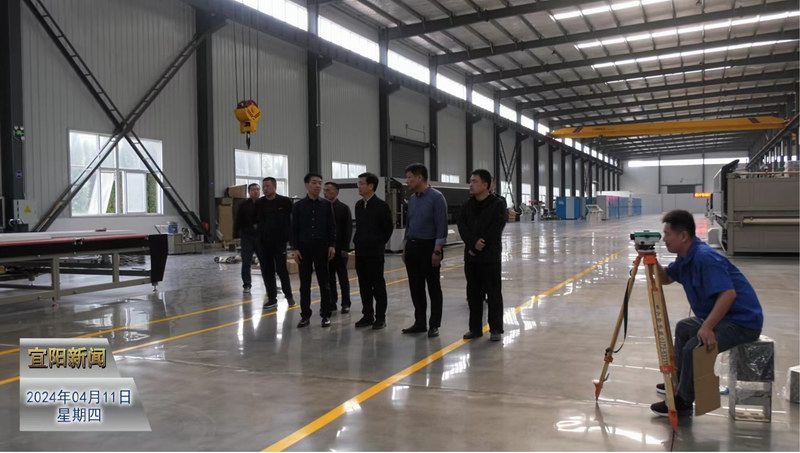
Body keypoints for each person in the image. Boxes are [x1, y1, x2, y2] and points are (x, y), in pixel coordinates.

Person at [649, 210, 764, 417]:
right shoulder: (685, 257)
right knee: (684, 327)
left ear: (683, 236)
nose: (664, 239)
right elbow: (665, 278)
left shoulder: (704, 258)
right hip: (725, 317)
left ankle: (684, 401)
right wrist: (650, 257)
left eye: (667, 234)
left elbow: (728, 294)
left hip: (742, 322)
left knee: (694, 347)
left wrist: (707, 326)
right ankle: (679, 381)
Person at [457, 169, 507, 342]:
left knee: (493, 293)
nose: (471, 184)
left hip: (490, 257)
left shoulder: (497, 204)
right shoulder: (466, 205)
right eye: (470, 181)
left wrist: (480, 245)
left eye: (475, 181)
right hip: (471, 257)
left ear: (485, 185)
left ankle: (496, 328)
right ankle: (475, 328)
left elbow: (496, 227)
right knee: (473, 294)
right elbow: (462, 226)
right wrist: (473, 243)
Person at [401, 163, 448, 338]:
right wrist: (405, 247)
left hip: (429, 247)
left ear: (420, 178)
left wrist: (437, 251)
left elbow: (441, 225)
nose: (407, 181)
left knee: (433, 287)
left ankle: (434, 324)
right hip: (412, 246)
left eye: (409, 177)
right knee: (416, 287)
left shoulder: (437, 198)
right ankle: (420, 322)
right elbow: (409, 225)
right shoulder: (412, 199)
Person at [292, 173, 337, 328]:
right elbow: (294, 228)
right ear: (306, 185)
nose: (318, 186)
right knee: (304, 284)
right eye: (314, 182)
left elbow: (331, 227)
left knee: (324, 283)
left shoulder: (326, 205)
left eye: (319, 183)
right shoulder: (298, 206)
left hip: (321, 248)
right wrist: (295, 248)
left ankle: (325, 315)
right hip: (304, 249)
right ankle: (305, 315)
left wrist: (332, 245)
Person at [353, 172, 394, 330]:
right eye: (359, 183)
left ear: (371, 186)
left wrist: (378, 243)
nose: (359, 186)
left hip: (374, 253)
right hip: (360, 251)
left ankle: (380, 317)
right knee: (363, 285)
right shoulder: (358, 205)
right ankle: (367, 315)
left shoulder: (381, 206)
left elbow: (388, 228)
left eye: (362, 183)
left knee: (377, 285)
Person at [255, 177, 295, 309]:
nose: (265, 189)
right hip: (264, 243)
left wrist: (291, 239)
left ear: (274, 187)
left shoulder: (285, 202)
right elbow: (256, 222)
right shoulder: (259, 203)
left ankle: (289, 296)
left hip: (279, 243)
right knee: (267, 271)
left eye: (267, 186)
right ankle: (272, 298)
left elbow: (292, 221)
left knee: (281, 270)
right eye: (263, 187)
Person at [323, 182, 353, 314]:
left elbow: (348, 229)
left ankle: (346, 302)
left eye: (329, 190)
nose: (326, 192)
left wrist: (345, 249)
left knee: (342, 278)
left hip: (340, 249)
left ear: (336, 192)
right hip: (327, 249)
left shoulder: (343, 208)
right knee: (329, 278)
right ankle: (332, 302)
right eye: (325, 190)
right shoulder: (322, 207)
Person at [235, 183, 266, 294]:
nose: (256, 191)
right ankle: (247, 285)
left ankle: (269, 284)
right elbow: (238, 220)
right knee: (246, 262)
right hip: (247, 237)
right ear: (249, 192)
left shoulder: (264, 203)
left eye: (257, 189)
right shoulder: (243, 205)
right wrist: (236, 235)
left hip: (261, 237)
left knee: (264, 262)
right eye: (253, 189)